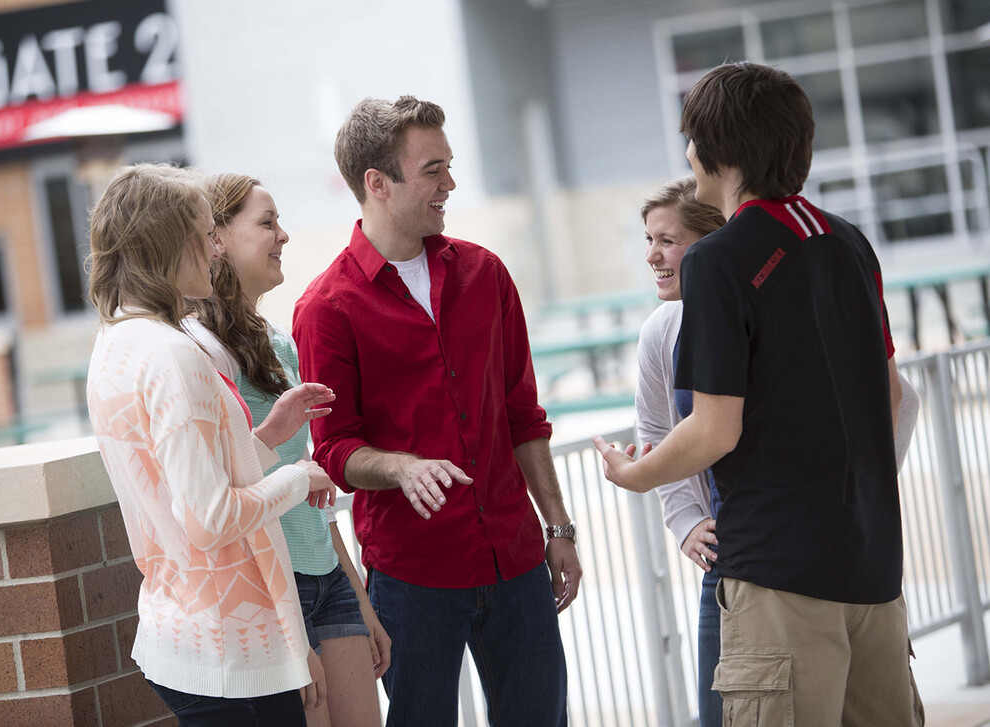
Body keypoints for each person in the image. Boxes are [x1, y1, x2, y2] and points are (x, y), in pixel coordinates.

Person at [595, 63, 924, 726]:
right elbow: (892, 394)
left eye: (690, 141)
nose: (688, 155)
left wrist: (637, 474)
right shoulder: (849, 242)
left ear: (715, 149)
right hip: (872, 567)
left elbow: (714, 428)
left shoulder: (718, 258)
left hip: (779, 575)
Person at [292, 96, 580, 726]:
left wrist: (558, 527)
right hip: (413, 577)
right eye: (432, 169)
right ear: (378, 183)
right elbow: (335, 448)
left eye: (449, 166)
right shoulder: (327, 308)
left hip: (515, 558)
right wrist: (398, 467)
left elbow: (523, 414)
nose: (450, 183)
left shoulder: (487, 274)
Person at [86, 163, 336, 726]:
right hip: (230, 652)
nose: (215, 250)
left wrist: (268, 439)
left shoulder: (117, 343)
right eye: (205, 235)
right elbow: (211, 517)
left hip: (190, 634)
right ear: (168, 242)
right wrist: (299, 478)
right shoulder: (171, 355)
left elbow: (192, 480)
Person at [184, 173, 390, 727]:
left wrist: (359, 597)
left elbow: (310, 483)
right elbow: (221, 489)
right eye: (267, 223)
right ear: (217, 238)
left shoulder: (277, 341)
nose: (284, 236)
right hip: (275, 591)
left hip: (327, 578)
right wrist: (283, 626)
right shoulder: (196, 350)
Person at [634, 177, 727, 725]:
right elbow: (656, 433)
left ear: (711, 242)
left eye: (667, 240)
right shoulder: (661, 331)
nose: (652, 255)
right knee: (717, 712)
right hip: (726, 556)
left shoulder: (757, 317)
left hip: (787, 549)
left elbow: (898, 402)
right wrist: (687, 521)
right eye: (648, 240)